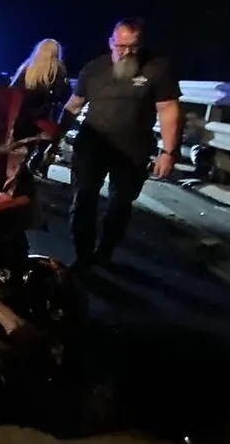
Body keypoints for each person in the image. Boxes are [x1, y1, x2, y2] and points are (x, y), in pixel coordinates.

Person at [56, 18, 182, 270]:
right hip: (92, 145)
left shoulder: (157, 68)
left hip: (132, 151)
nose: (126, 53)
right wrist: (54, 135)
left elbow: (168, 109)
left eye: (133, 47)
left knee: (120, 204)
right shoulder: (93, 69)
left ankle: (105, 250)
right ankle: (82, 256)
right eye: (121, 46)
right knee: (83, 199)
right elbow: (74, 105)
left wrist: (169, 152)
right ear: (111, 43)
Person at [11, 38, 73, 174]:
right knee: (31, 152)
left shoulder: (26, 68)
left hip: (18, 118)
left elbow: (12, 91)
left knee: (13, 152)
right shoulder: (57, 70)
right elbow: (64, 96)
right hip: (39, 121)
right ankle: (31, 169)